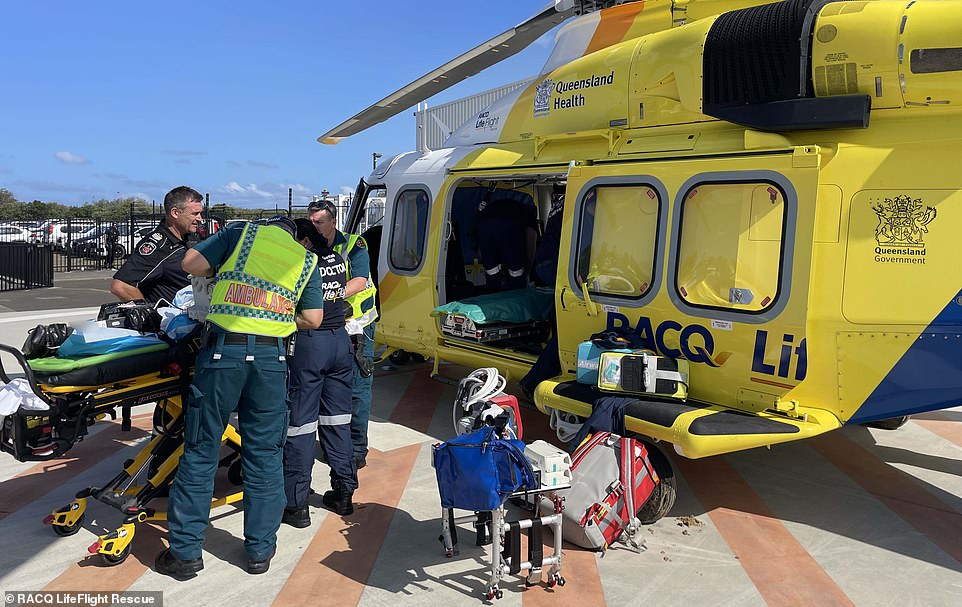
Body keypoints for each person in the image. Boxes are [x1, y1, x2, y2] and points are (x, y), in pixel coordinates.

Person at [154, 216, 323, 580]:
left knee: (201, 450)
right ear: (294, 236)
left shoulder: (240, 233)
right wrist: (277, 313)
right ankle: (260, 551)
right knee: (264, 453)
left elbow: (190, 265)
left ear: (267, 228)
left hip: (223, 355)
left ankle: (185, 554)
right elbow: (313, 317)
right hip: (271, 360)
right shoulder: (306, 259)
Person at [283, 219, 356, 525]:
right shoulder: (336, 259)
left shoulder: (301, 261)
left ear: (306, 241)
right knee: (338, 419)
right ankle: (344, 492)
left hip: (309, 344)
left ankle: (297, 504)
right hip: (339, 342)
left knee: (300, 425)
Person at [309, 199, 378, 470]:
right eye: (311, 221)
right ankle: (333, 446)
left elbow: (359, 281)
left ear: (333, 222)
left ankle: (357, 448)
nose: (314, 227)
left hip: (357, 328)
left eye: (319, 222)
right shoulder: (308, 247)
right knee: (327, 391)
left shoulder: (354, 244)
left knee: (358, 392)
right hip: (324, 326)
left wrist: (328, 296)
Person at [111, 186, 203, 304]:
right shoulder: (159, 246)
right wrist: (149, 314)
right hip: (174, 319)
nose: (200, 218)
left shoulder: (191, 238)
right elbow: (120, 286)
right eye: (195, 213)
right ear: (175, 213)